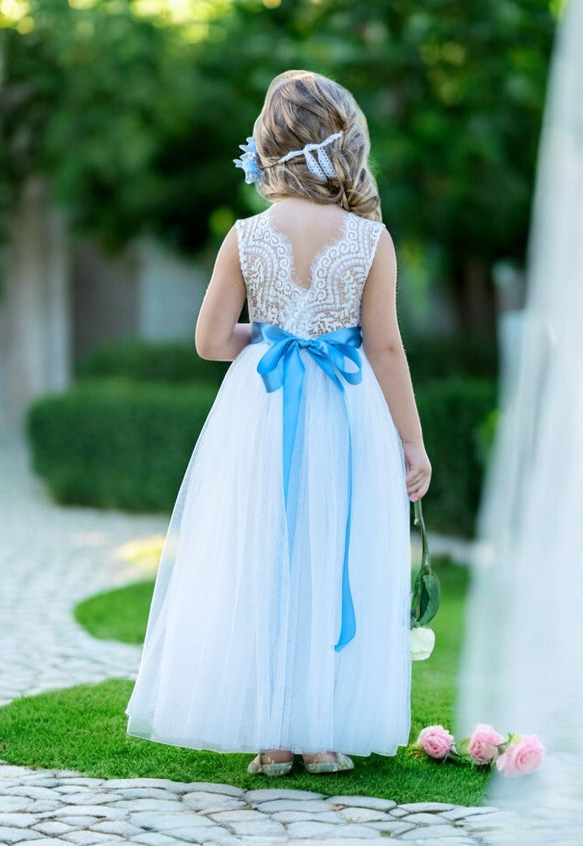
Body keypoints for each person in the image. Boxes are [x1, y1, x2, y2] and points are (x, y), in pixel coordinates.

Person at [125, 69, 432, 777]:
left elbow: (209, 340)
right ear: (344, 146)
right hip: (346, 411)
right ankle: (322, 737)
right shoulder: (369, 240)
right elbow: (384, 347)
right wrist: (410, 440)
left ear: (267, 147)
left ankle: (273, 738)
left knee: (266, 558)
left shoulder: (244, 236)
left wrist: (269, 339)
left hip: (260, 410)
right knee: (334, 554)